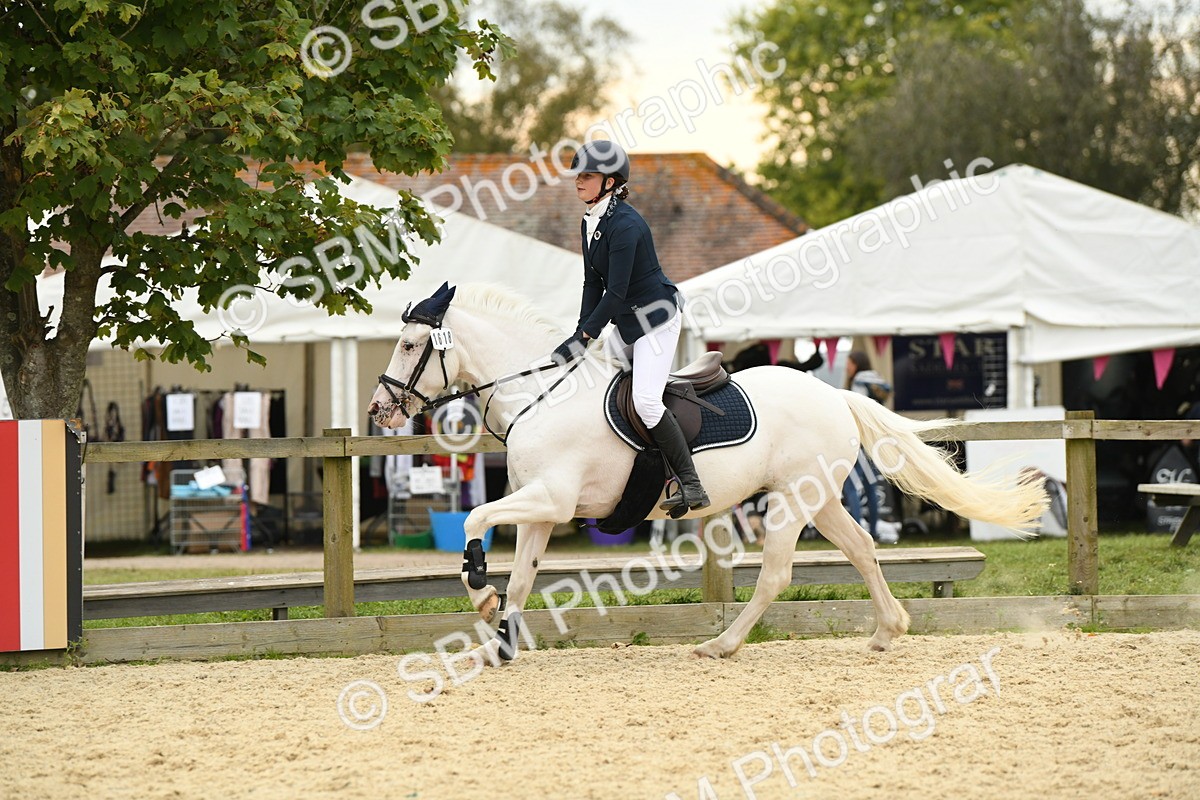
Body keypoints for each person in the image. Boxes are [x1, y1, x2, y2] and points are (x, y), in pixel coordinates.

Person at [551, 140, 710, 517]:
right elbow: (593, 283)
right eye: (578, 175)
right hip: (627, 321)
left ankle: (691, 481)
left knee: (646, 401)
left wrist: (587, 336)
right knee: (595, 382)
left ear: (610, 181)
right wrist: (579, 332)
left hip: (656, 319)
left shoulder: (626, 225)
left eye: (586, 176)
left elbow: (617, 292)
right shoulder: (591, 220)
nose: (578, 182)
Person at [843, 351, 890, 540]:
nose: (847, 367)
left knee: (851, 486)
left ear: (856, 363)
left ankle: (858, 534)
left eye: (849, 363)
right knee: (871, 486)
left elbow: (856, 409)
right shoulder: (877, 380)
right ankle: (873, 532)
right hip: (875, 440)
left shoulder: (858, 381)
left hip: (860, 439)